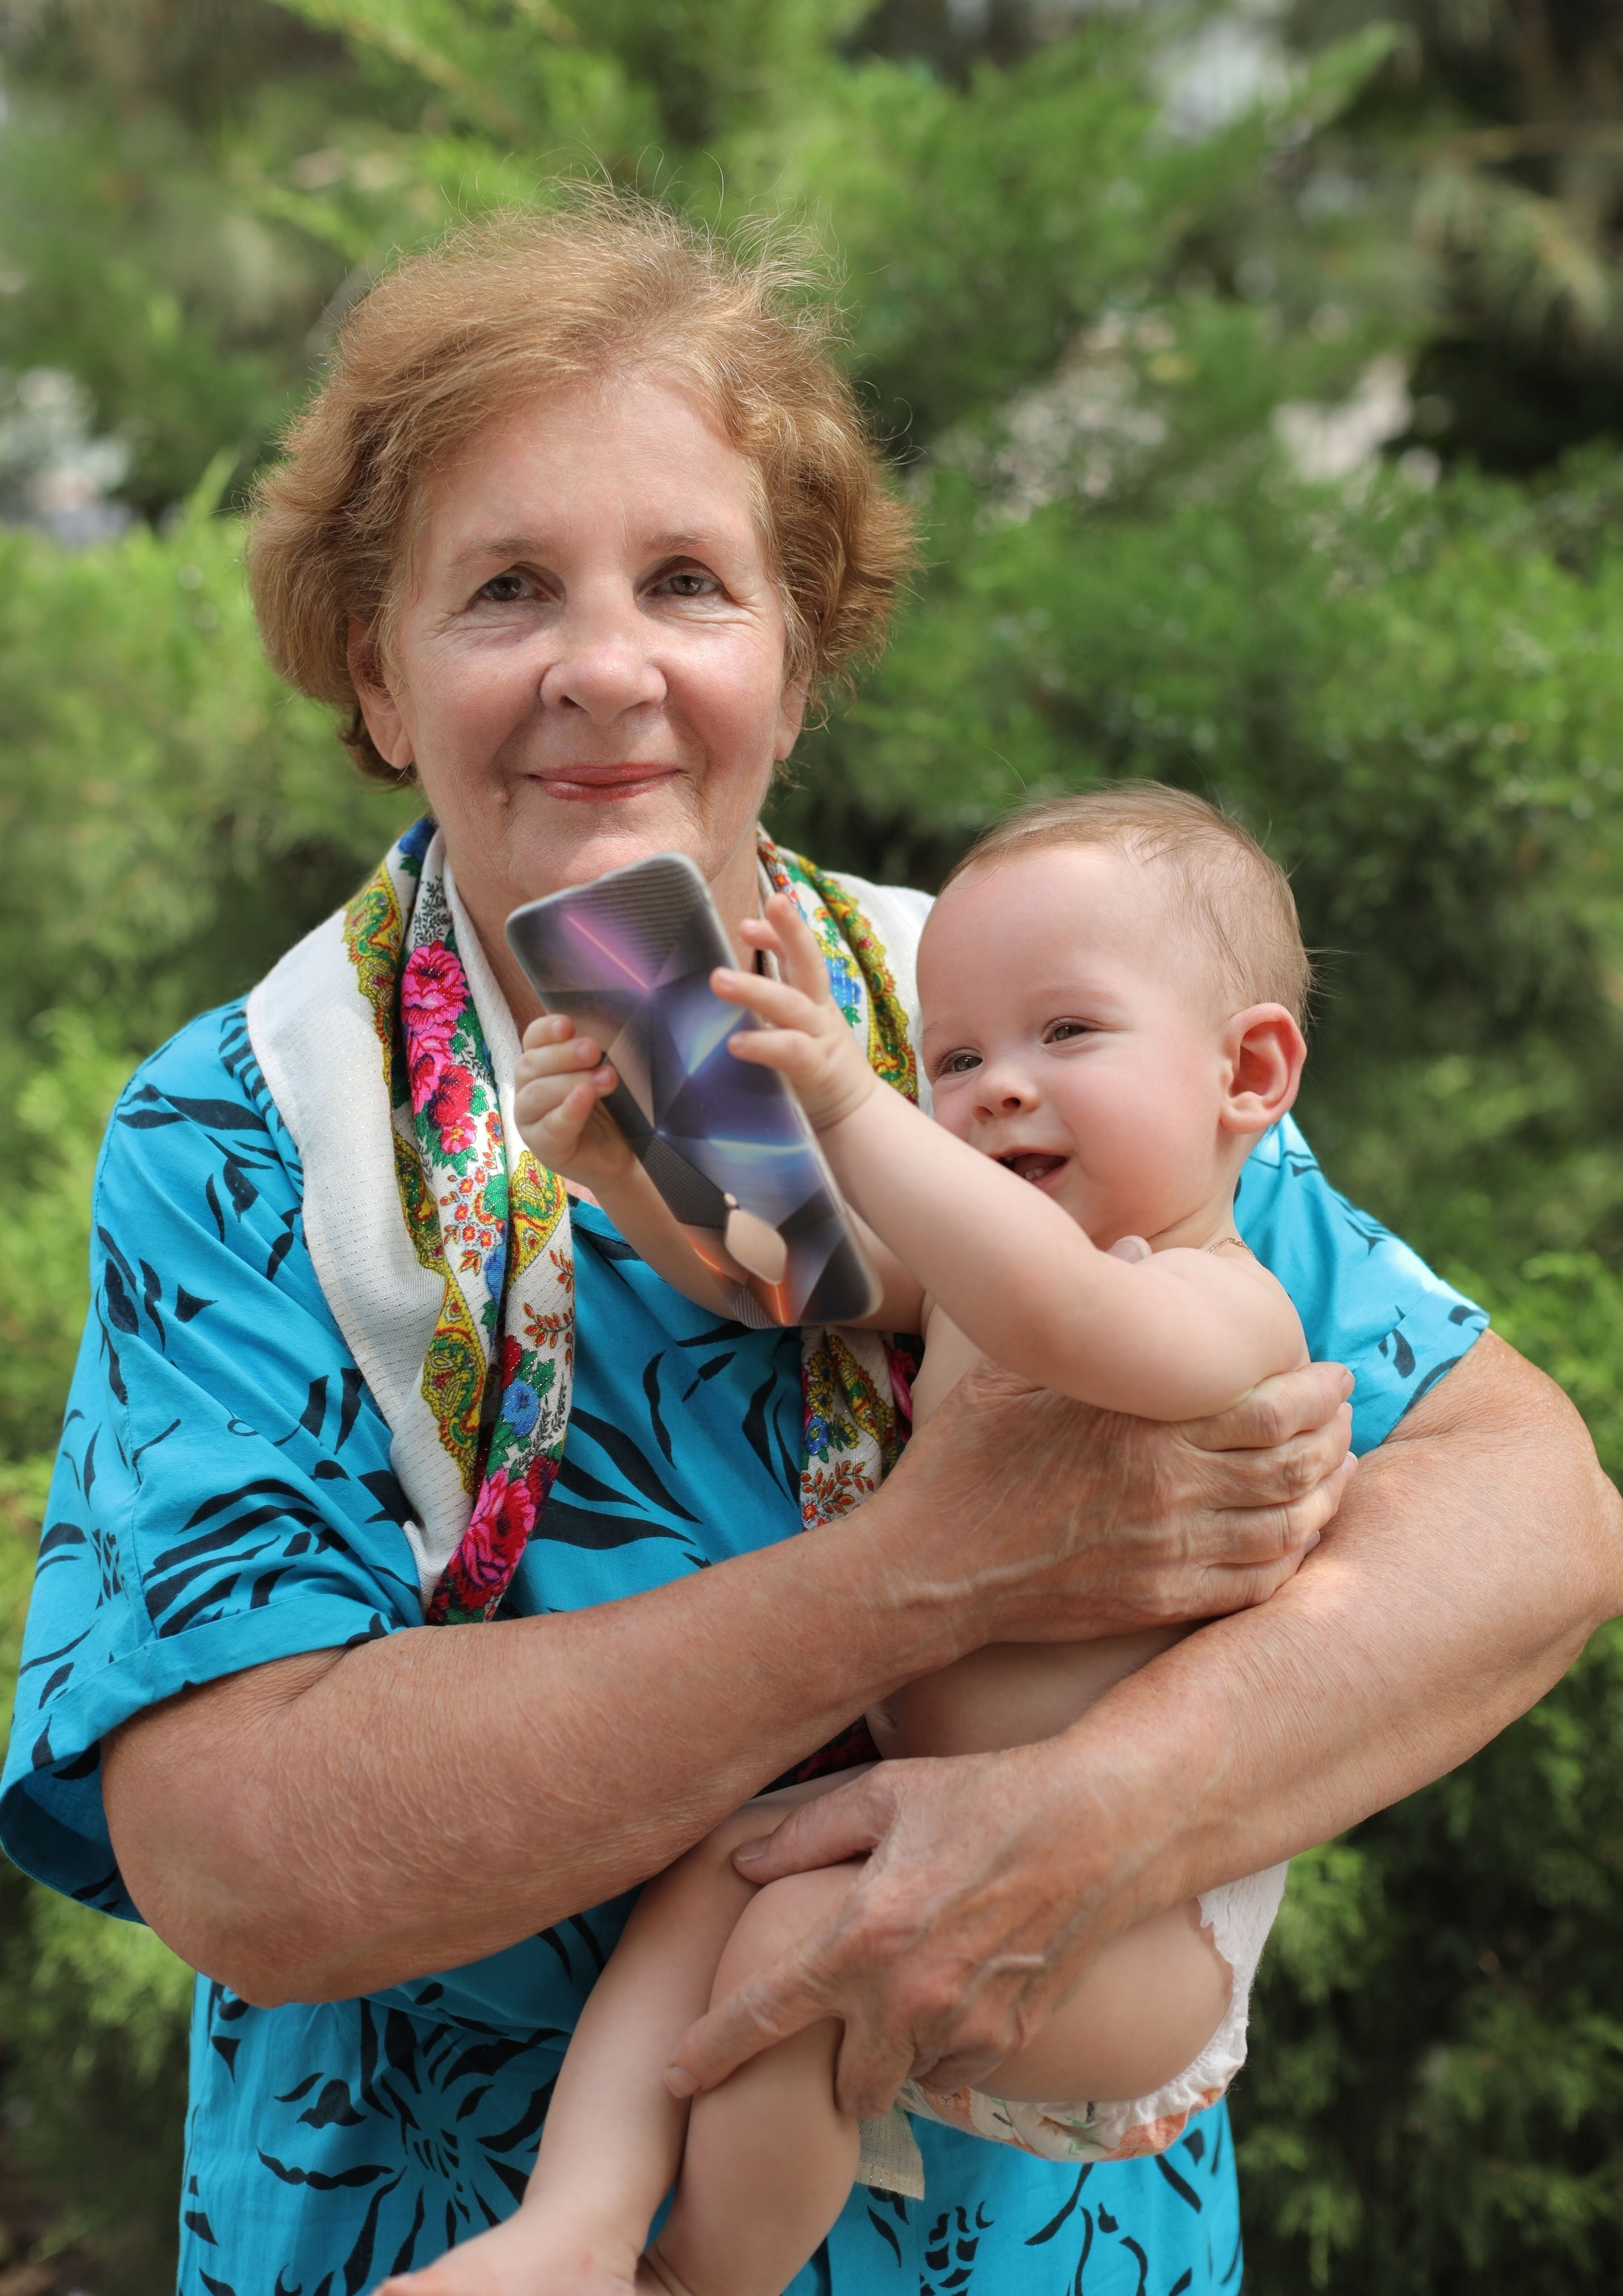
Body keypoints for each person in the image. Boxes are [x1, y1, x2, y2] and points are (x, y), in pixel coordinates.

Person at [0, 193, 1615, 2296]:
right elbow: (242, 1854)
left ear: (795, 648)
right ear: (378, 678)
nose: (607, 665)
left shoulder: (1006, 1030)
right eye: (503, 589)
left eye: (688, 578)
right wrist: (924, 1580)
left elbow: (1532, 1507)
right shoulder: (250, 1133)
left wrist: (1083, 1817)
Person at [432, 786, 1312, 2296]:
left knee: (801, 1938)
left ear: (1243, 1072)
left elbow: (1061, 1312)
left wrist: (854, 1107)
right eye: (957, 1055)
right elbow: (793, 1275)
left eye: (1065, 1036)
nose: (994, 1091)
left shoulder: (1217, 1301)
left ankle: (700, 2273)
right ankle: (571, 2226)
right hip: (914, 1816)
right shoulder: (987, 1255)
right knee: (728, 1866)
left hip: (1120, 1927)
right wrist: (618, 1173)